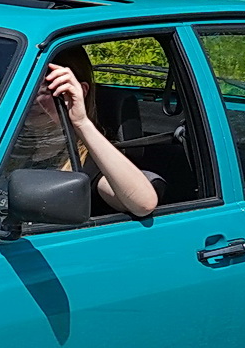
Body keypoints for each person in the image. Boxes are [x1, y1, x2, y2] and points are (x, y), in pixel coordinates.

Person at [13, 45, 160, 218]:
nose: (32, 99)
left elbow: (143, 203)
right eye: (25, 87)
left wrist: (81, 122)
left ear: (77, 93)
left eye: (45, 87)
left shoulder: (88, 164)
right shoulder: (6, 148)